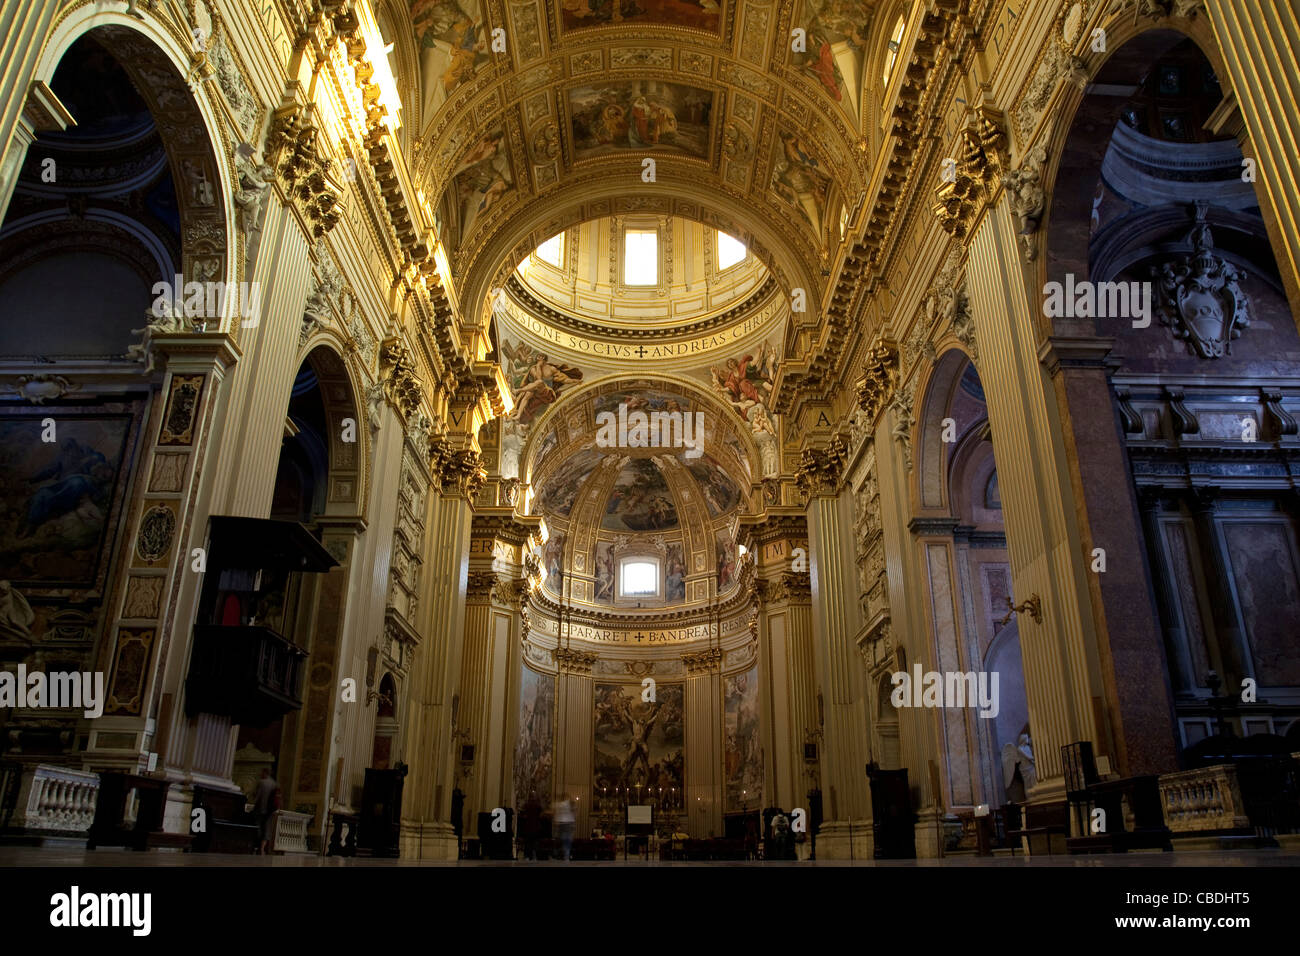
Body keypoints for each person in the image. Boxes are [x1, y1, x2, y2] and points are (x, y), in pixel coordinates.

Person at [252, 767, 278, 855]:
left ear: (265, 773)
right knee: (267, 829)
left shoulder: (262, 782)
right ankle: (262, 849)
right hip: (270, 810)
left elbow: (257, 796)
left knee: (257, 827)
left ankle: (256, 847)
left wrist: (253, 805)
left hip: (260, 809)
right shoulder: (274, 784)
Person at [520, 792, 543, 860]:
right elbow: (541, 815)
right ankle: (534, 855)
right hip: (535, 826)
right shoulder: (538, 805)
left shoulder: (526, 805)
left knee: (527, 842)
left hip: (528, 826)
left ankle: (527, 855)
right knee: (534, 842)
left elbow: (523, 814)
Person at [553, 794, 575, 861]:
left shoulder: (559, 804)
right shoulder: (568, 803)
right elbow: (574, 811)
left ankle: (559, 855)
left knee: (562, 839)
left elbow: (554, 809)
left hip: (562, 823)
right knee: (567, 840)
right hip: (568, 823)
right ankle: (566, 856)